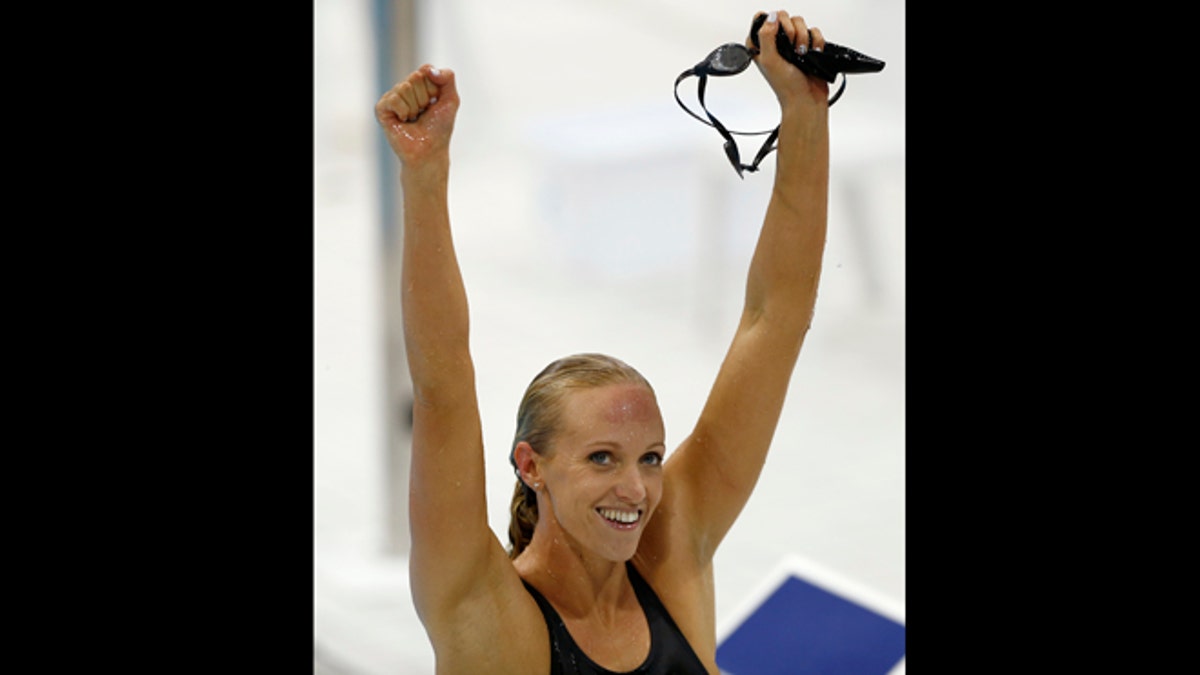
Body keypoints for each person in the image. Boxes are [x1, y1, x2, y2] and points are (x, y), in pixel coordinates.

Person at [375, 9, 831, 674]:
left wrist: (805, 110)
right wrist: (425, 174)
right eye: (600, 457)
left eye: (649, 456)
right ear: (530, 464)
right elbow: (442, 382)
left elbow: (775, 318)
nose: (638, 489)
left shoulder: (672, 555)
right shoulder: (487, 614)